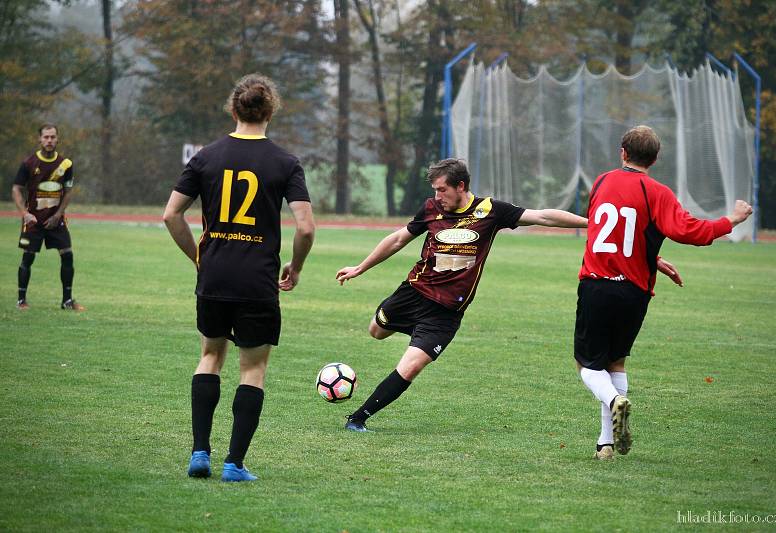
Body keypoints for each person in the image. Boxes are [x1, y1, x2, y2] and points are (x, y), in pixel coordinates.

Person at [335, 158, 589, 432]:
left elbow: (543, 216)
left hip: (445, 313)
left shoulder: (490, 211)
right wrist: (361, 267)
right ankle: (411, 330)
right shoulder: (431, 209)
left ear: (461, 185)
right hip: (413, 293)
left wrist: (591, 224)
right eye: (434, 189)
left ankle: (358, 418)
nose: (437, 196)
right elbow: (398, 239)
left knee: (410, 367)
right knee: (376, 332)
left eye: (442, 189)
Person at [163, 73, 315, 482]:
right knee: (253, 370)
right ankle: (234, 464)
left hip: (214, 275)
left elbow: (170, 214)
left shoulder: (206, 157)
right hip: (257, 280)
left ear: (234, 109)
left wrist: (199, 255)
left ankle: (199, 454)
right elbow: (305, 228)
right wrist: (295, 268)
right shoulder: (285, 162)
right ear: (271, 112)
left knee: (209, 357)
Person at [574, 125, 752, 460]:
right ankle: (605, 444)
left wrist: (652, 257)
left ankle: (614, 402)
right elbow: (689, 231)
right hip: (634, 293)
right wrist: (732, 219)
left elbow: (604, 232)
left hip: (597, 284)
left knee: (586, 365)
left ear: (622, 152)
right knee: (616, 362)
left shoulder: (601, 182)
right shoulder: (657, 192)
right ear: (655, 159)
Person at [12, 123, 84, 311]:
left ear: (57, 139)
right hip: (33, 221)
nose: (49, 140)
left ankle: (67, 301)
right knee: (28, 257)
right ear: (40, 139)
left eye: (52, 137)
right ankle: (21, 300)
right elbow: (16, 189)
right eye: (46, 137)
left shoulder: (65, 164)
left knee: (67, 255)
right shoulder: (28, 163)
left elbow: (68, 192)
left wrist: (58, 214)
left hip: (56, 220)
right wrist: (24, 213)